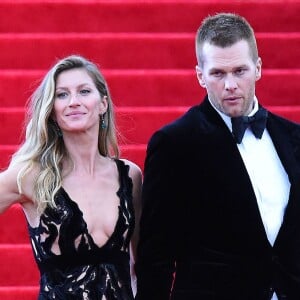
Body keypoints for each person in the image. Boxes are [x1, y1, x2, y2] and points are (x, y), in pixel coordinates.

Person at [135, 12, 300, 300]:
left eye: (240, 71)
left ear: (258, 68)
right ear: (200, 75)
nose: (230, 85)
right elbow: (155, 256)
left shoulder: (293, 137)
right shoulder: (174, 144)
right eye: (218, 74)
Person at [0, 54, 142, 299]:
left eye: (84, 92)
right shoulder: (30, 175)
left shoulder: (130, 176)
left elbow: (140, 265)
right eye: (62, 94)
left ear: (103, 104)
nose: (74, 101)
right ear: (52, 111)